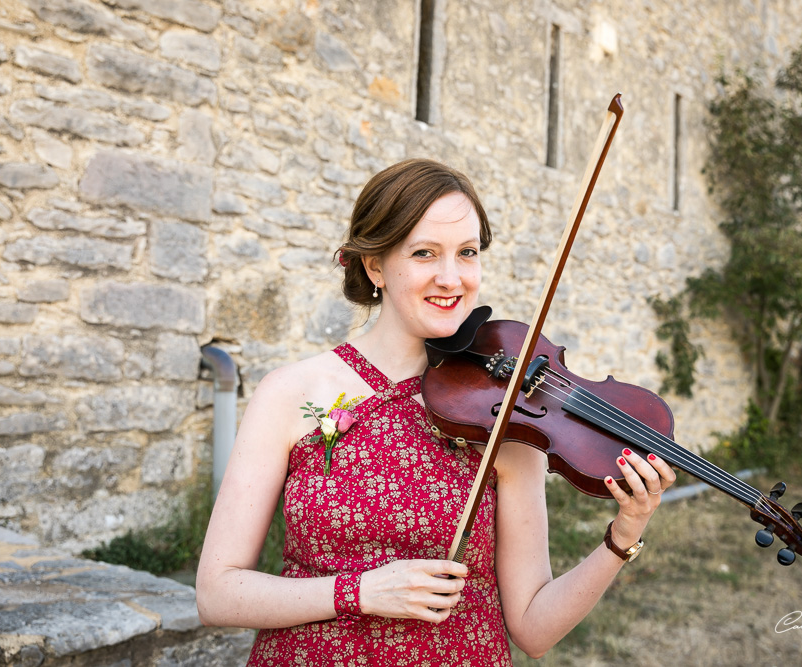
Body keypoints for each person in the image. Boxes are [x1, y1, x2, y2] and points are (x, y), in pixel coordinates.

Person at [196, 158, 676, 665]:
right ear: (374, 265)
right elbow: (217, 593)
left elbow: (534, 629)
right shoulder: (290, 393)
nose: (452, 278)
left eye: (467, 253)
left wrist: (624, 535)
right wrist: (359, 592)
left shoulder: (506, 413)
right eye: (425, 253)